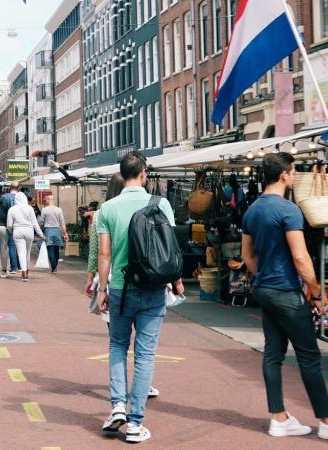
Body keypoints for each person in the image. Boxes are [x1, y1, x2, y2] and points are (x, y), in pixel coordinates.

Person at [96, 152, 183, 443]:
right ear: (144, 173)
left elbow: (104, 254)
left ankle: (117, 405)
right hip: (154, 288)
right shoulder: (161, 204)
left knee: (118, 346)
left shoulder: (107, 208)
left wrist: (102, 291)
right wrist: (177, 282)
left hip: (121, 288)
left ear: (122, 174)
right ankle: (135, 423)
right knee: (145, 355)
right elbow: (169, 249)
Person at [242, 152, 328, 439]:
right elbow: (301, 257)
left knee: (273, 354)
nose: (293, 177)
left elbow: (246, 256)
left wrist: (264, 274)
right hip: (286, 291)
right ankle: (326, 422)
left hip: (264, 289)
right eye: (292, 172)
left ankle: (279, 418)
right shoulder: (288, 210)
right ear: (283, 175)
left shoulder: (252, 210)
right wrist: (316, 292)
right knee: (309, 357)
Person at [85, 174, 162, 399]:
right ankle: (142, 387)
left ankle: (118, 398)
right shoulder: (153, 206)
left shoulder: (103, 212)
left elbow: (96, 252)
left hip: (114, 282)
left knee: (117, 342)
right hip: (147, 280)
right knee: (144, 345)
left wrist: (92, 279)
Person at [6, 191, 43, 282]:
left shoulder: (12, 209)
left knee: (21, 252)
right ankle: (26, 269)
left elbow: (9, 225)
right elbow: (35, 223)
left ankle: (24, 272)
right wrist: (41, 234)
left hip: (17, 231)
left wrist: (11, 231)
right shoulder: (30, 208)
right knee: (27, 252)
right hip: (29, 231)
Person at [39, 196, 68, 274]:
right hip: (57, 231)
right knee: (56, 249)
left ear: (48, 200)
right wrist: (65, 234)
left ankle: (54, 266)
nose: (45, 201)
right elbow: (62, 222)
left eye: (45, 200)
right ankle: (55, 265)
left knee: (50, 249)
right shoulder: (59, 209)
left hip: (48, 231)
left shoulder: (44, 210)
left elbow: (41, 222)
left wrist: (39, 232)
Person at [4, 181, 22, 273]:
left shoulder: (5, 197)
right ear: (18, 188)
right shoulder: (21, 197)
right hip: (20, 224)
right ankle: (20, 266)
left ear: (10, 187)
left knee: (11, 246)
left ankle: (14, 267)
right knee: (21, 246)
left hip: (9, 224)